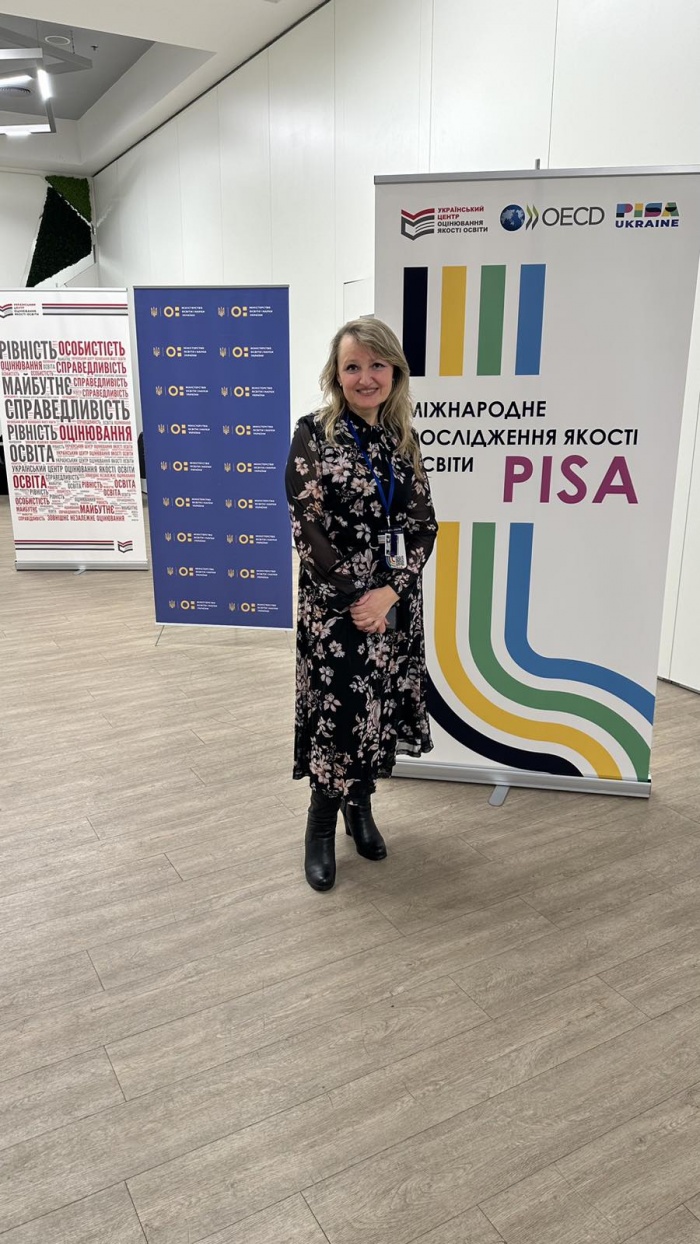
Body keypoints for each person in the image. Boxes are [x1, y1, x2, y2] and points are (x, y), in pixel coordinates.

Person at [285, 318, 438, 891]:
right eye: (353, 366)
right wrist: (358, 598)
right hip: (336, 609)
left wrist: (390, 592)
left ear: (395, 371)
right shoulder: (312, 434)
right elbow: (307, 525)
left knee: (378, 708)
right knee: (340, 715)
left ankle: (361, 809)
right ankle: (321, 825)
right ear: (337, 374)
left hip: (393, 604)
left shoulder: (404, 440)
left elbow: (424, 527)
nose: (366, 377)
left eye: (377, 365)